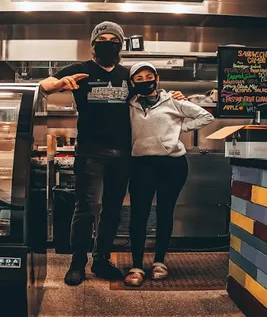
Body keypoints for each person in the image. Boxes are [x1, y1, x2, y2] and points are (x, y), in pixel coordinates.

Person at [39, 22, 183, 286]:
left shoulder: (128, 76)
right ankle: (77, 263)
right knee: (86, 208)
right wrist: (58, 83)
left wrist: (173, 95)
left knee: (113, 210)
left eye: (113, 39)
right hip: (91, 152)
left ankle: (101, 259)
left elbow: (153, 95)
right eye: (102, 39)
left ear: (120, 45)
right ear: (93, 45)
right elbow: (45, 85)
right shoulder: (81, 70)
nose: (108, 43)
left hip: (123, 154)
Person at [123, 62, 214, 287]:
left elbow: (206, 116)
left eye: (149, 76)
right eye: (139, 78)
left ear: (157, 77)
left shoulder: (173, 101)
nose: (145, 81)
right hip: (141, 165)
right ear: (132, 82)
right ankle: (136, 265)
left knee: (165, 213)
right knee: (139, 215)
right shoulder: (129, 104)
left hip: (172, 165)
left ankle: (159, 261)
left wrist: (179, 128)